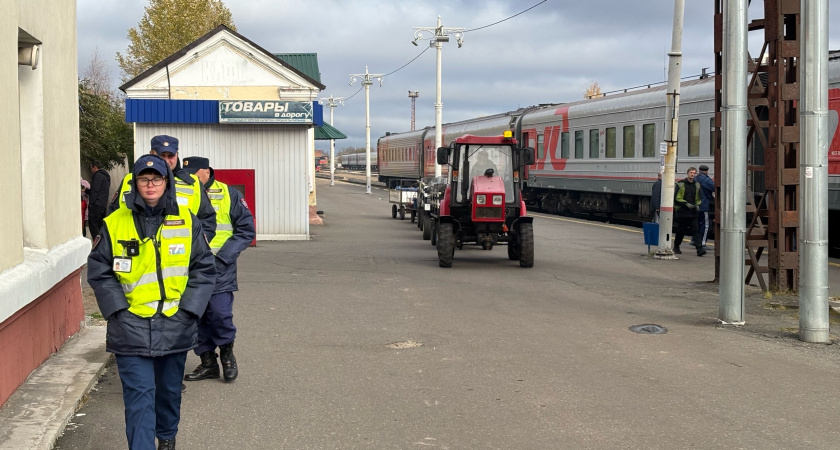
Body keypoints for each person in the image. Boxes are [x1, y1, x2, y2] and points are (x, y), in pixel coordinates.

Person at [87, 154, 216, 450]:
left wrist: (189, 312)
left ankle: (167, 437)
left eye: (156, 178)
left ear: (166, 182)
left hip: (175, 323)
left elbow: (204, 269)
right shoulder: (114, 223)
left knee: (169, 393)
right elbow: (100, 271)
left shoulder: (187, 221)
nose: (150, 184)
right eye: (144, 179)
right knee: (139, 397)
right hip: (129, 326)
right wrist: (117, 312)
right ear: (135, 183)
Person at [181, 157, 255, 383]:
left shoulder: (229, 194)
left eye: (195, 174)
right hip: (188, 267)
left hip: (219, 266)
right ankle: (208, 363)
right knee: (196, 316)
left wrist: (223, 258)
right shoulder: (181, 192)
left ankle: (227, 354)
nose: (191, 178)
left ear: (207, 171)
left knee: (220, 314)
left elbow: (245, 230)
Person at [110, 135, 217, 243]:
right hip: (134, 249)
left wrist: (195, 246)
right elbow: (113, 217)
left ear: (177, 155)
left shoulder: (193, 183)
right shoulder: (129, 180)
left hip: (179, 252)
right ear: (152, 153)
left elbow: (208, 221)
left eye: (171, 156)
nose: (166, 160)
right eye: (162, 155)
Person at [673, 167, 705, 256]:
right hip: (682, 212)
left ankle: (699, 249)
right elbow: (676, 198)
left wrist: (697, 205)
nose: (692, 174)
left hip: (693, 212)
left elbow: (699, 197)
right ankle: (676, 246)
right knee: (681, 230)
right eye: (691, 172)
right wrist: (686, 204)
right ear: (687, 173)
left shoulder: (697, 185)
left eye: (694, 173)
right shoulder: (681, 184)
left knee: (695, 230)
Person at [86, 160, 110, 238]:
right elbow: (100, 191)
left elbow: (95, 191)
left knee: (93, 225)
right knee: (100, 225)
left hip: (96, 205)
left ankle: (96, 242)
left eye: (91, 168)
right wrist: (86, 190)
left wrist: (91, 204)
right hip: (102, 205)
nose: (91, 170)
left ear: (95, 167)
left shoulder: (97, 176)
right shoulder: (105, 176)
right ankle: (102, 242)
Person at [696, 164, 715, 249]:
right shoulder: (706, 180)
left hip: (697, 204)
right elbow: (714, 187)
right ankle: (702, 243)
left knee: (698, 224)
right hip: (704, 204)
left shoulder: (695, 178)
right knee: (706, 225)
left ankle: (695, 241)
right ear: (707, 171)